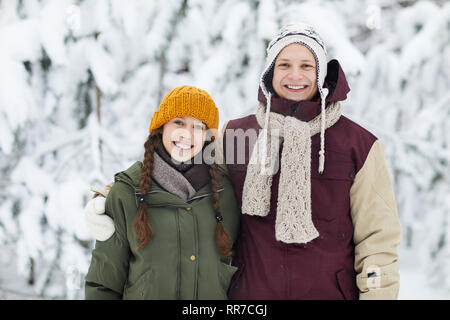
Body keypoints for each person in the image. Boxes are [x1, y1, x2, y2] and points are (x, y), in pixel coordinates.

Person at [85, 23, 402, 300]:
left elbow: (378, 240)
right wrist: (112, 195)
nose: (295, 75)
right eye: (284, 65)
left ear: (322, 74)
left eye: (307, 66)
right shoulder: (239, 135)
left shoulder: (357, 145)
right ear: (269, 72)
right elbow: (181, 171)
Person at [84, 86, 240, 299]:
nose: (187, 134)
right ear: (161, 127)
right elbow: (103, 284)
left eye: (198, 126)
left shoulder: (226, 194)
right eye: (179, 122)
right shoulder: (127, 194)